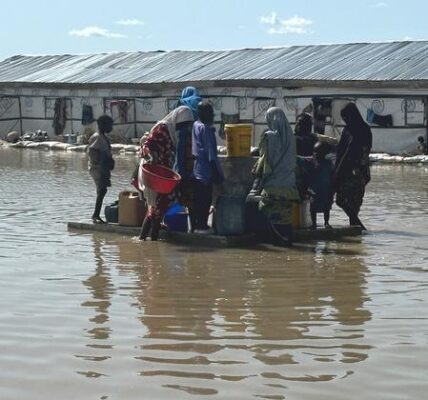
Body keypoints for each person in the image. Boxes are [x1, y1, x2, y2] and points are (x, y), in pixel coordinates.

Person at [138, 106, 194, 241]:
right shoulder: (162, 129)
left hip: (165, 176)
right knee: (156, 207)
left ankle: (147, 240)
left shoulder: (174, 133)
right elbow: (149, 143)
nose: (182, 131)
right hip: (154, 174)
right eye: (182, 127)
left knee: (157, 207)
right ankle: (150, 240)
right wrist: (148, 152)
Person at [249, 107, 300, 245]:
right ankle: (286, 243)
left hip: (273, 186)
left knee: (269, 214)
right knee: (285, 217)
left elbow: (265, 162)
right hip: (289, 187)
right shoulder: (291, 137)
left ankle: (276, 245)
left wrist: (256, 185)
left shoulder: (269, 137)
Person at [334, 102, 372, 230]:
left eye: (345, 118)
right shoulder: (365, 128)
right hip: (362, 171)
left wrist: (337, 172)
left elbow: (346, 152)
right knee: (354, 204)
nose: (345, 121)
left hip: (350, 171)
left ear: (351, 116)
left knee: (341, 200)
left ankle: (359, 228)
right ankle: (356, 237)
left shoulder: (351, 130)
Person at [191, 101, 224, 232]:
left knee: (199, 200)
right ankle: (202, 226)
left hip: (197, 168)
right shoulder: (205, 129)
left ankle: (197, 225)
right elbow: (211, 155)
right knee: (205, 200)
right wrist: (218, 176)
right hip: (206, 170)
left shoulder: (195, 125)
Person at [297, 142, 334, 229]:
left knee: (326, 207)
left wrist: (333, 189)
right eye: (315, 152)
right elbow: (300, 159)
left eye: (318, 152)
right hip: (313, 189)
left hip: (326, 189)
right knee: (313, 208)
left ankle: (326, 223)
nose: (315, 154)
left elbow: (333, 175)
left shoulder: (329, 163)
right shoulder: (311, 161)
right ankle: (314, 223)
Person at [87, 115, 115, 224]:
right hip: (97, 168)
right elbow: (93, 152)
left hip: (102, 168)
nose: (111, 127)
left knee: (103, 190)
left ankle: (96, 215)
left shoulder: (103, 137)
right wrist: (102, 161)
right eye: (110, 125)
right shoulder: (97, 137)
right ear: (103, 125)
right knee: (102, 190)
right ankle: (95, 215)